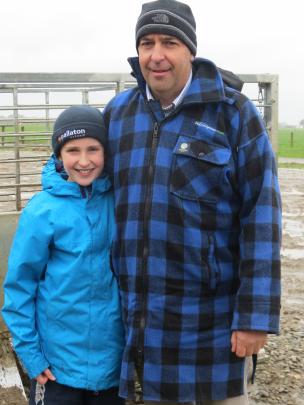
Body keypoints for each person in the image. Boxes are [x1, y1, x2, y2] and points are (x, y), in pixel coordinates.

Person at [102, 0, 282, 404]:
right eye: (146, 43)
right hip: (137, 324)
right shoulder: (118, 115)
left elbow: (262, 215)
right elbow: (84, 190)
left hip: (209, 326)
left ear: (191, 50)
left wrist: (255, 316)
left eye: (170, 42)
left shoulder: (233, 114)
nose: (156, 55)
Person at [2, 105, 125, 405]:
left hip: (112, 365)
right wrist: (31, 355)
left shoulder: (120, 202)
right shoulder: (42, 210)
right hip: (56, 368)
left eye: (93, 149)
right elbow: (19, 287)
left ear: (106, 152)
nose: (84, 161)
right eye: (72, 150)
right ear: (59, 155)